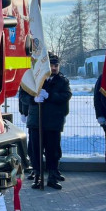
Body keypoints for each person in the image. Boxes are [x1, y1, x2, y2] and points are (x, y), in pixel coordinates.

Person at [22, 53, 72, 190]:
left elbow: (66, 95)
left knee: (53, 151)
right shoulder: (34, 78)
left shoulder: (62, 80)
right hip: (36, 121)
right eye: (51, 65)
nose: (54, 68)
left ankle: (52, 176)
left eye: (56, 65)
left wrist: (50, 96)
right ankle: (38, 176)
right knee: (36, 150)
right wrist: (33, 99)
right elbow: (23, 96)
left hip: (53, 121)